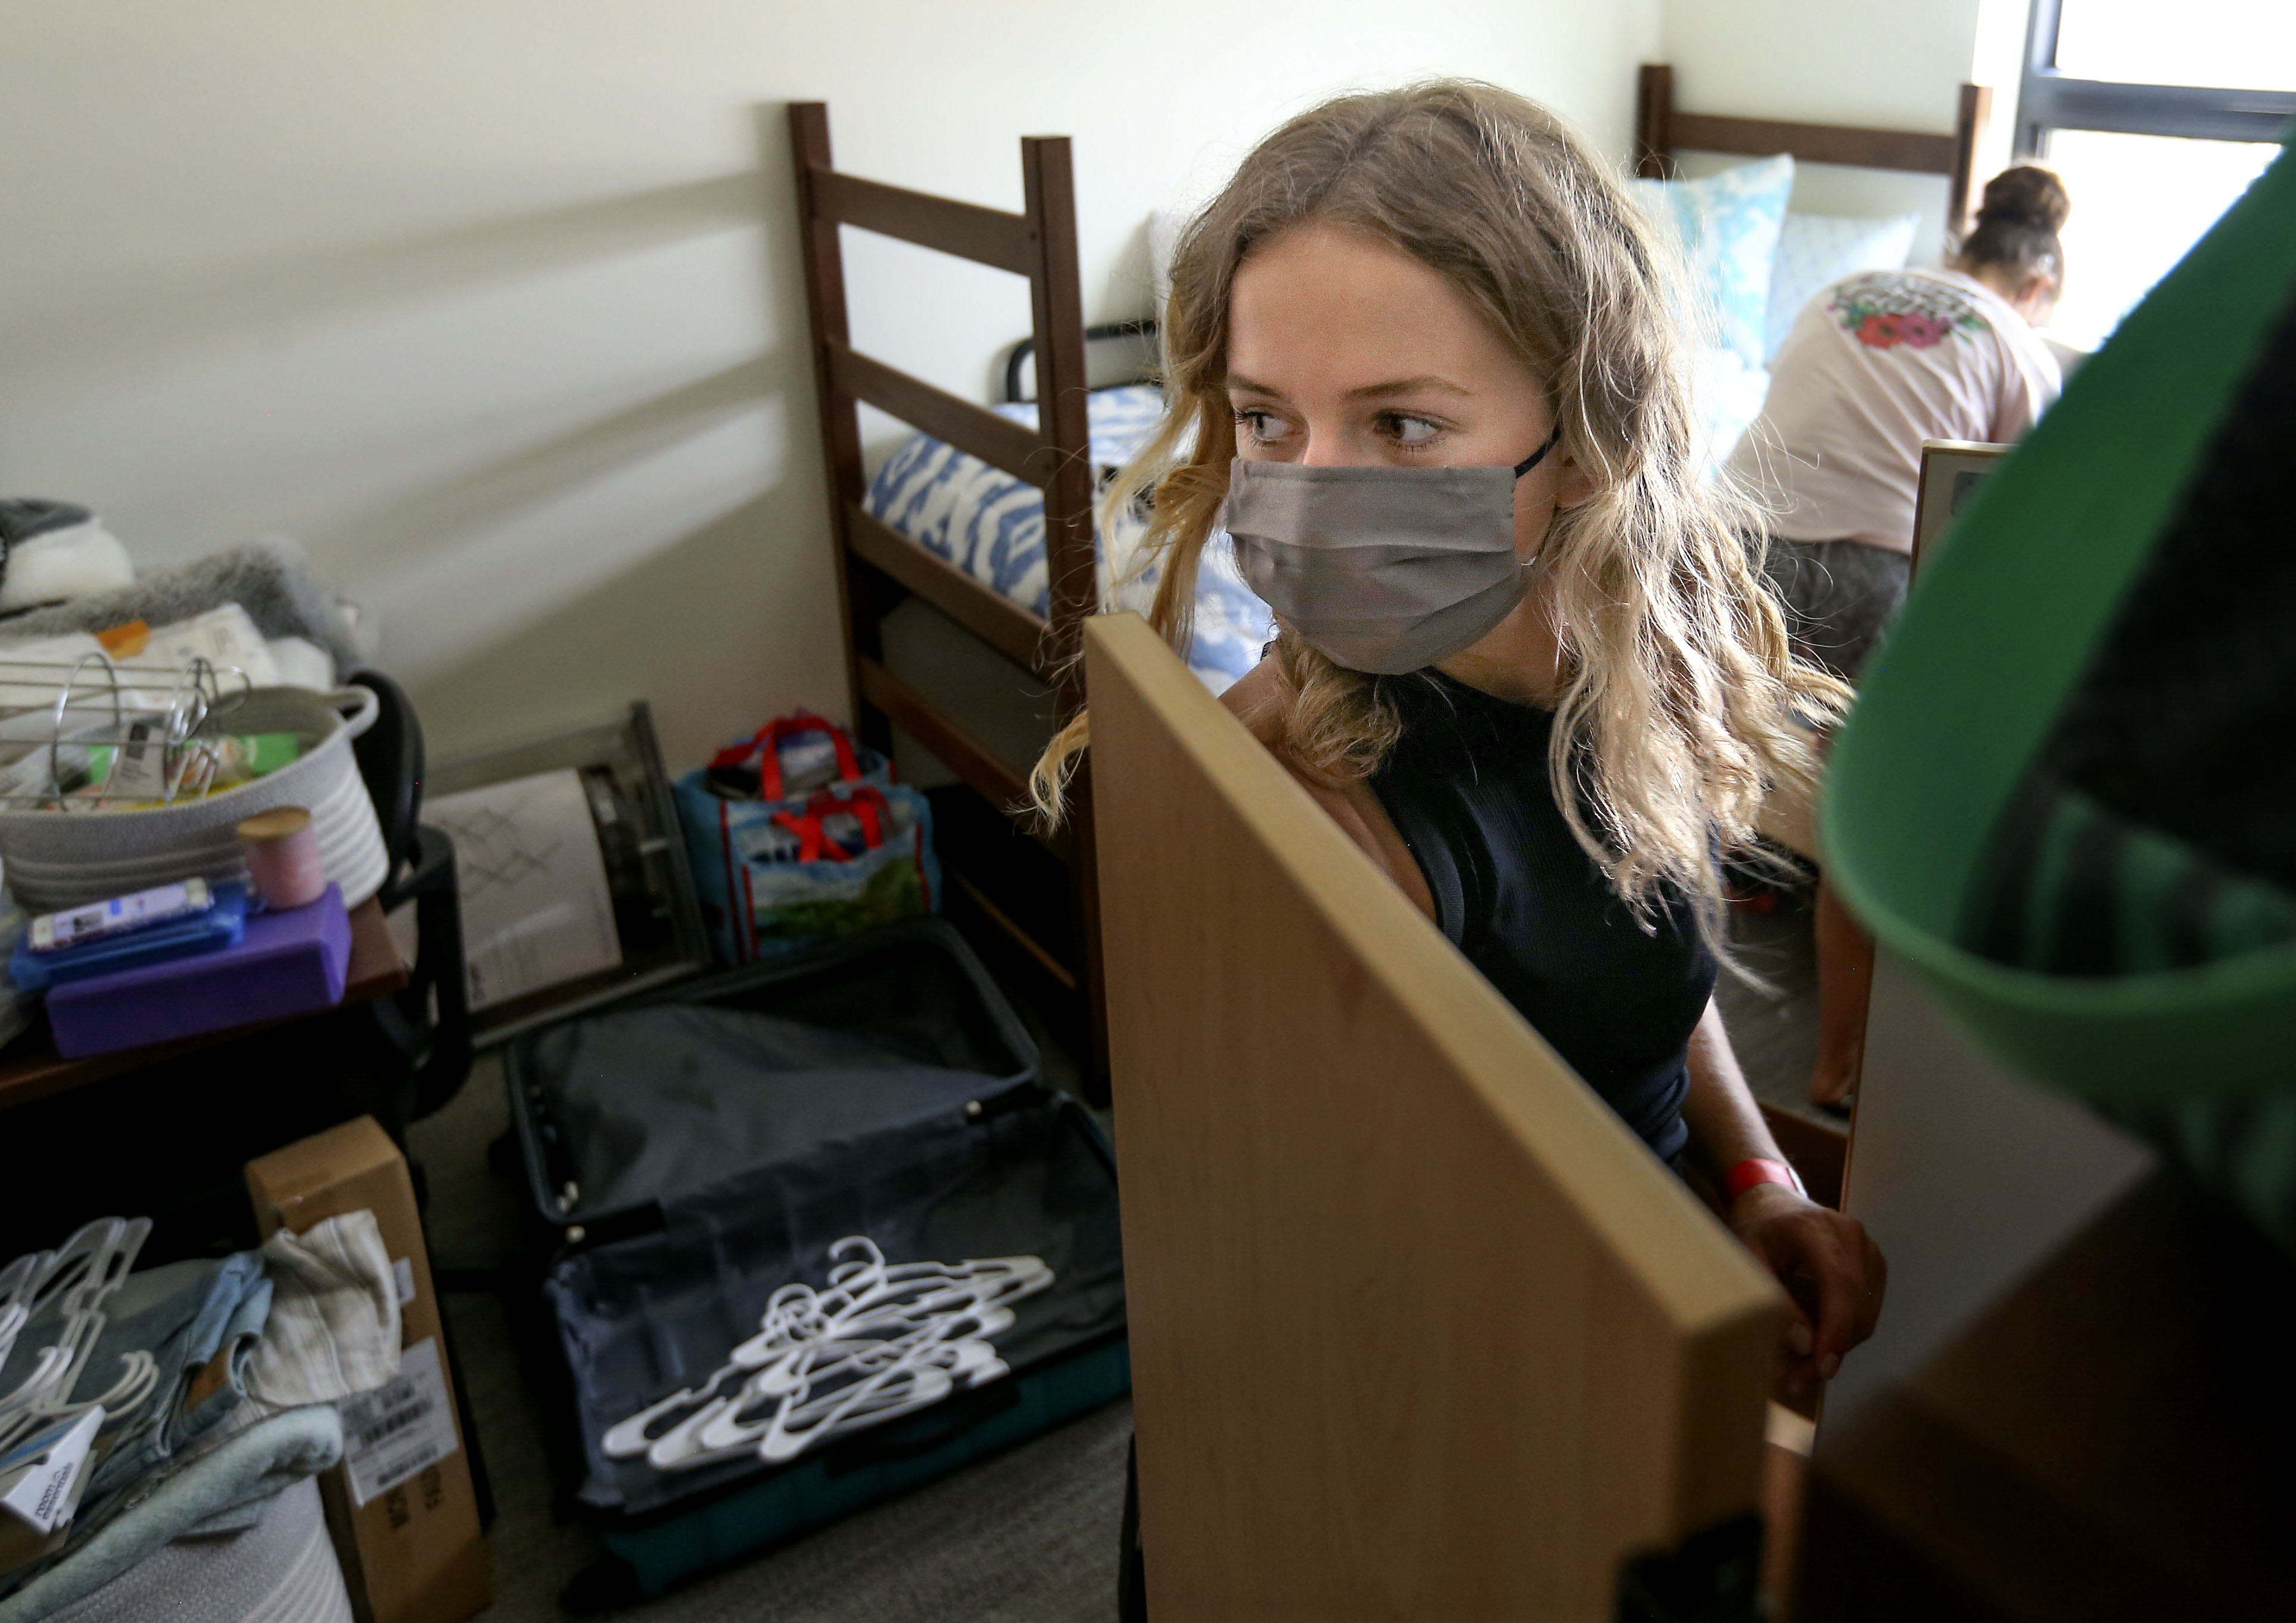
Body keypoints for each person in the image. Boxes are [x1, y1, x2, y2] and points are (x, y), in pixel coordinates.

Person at [1033, 82, 1885, 1395]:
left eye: (1403, 425)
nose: (1313, 495)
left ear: (1589, 436)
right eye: (1267, 420)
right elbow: (1377, 1323)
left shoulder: (1622, 669)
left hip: (1651, 1282)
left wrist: (1758, 1183)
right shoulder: (1303, 812)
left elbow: (1641, 972)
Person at [1731, 166, 2071, 680]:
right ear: (2034, 289)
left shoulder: (1841, 290)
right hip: (1878, 578)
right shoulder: (2019, 346)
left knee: (1726, 730)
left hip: (1738, 545)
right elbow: (2027, 504)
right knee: (1859, 741)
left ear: (1959, 252)